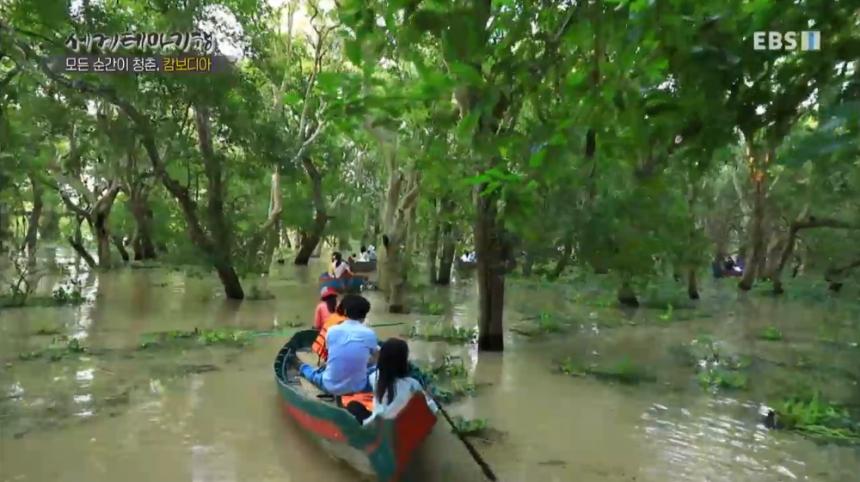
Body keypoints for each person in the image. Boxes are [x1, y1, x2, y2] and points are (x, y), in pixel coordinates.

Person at [346, 337, 439, 425]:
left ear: (381, 359)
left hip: (379, 426)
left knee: (352, 405)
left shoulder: (374, 378)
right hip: (403, 425)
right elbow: (433, 408)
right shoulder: (413, 384)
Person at [298, 295, 378, 395]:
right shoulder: (369, 334)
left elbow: (331, 353)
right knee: (376, 367)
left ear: (344, 312)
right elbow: (376, 359)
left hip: (331, 387)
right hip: (359, 388)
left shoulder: (332, 331)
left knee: (314, 375)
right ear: (365, 315)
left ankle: (302, 367)